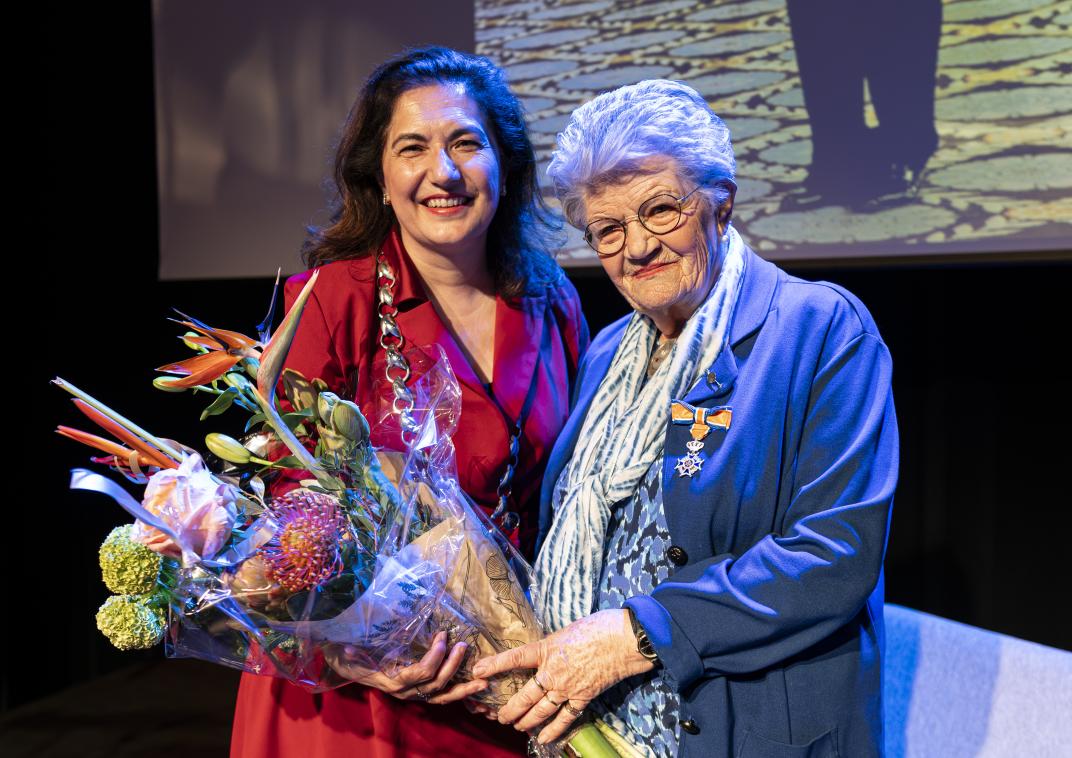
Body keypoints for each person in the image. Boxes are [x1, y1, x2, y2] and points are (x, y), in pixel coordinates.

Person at [472, 80, 898, 758]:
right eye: (608, 229)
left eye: (661, 210)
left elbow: (834, 554)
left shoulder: (819, 328)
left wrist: (641, 632)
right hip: (601, 734)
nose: (636, 247)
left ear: (720, 204)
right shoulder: (609, 351)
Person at [230, 47, 589, 758]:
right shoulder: (335, 301)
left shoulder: (552, 303)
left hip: (503, 679)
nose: (443, 173)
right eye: (412, 148)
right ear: (381, 176)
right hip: (358, 697)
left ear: (505, 164)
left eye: (466, 143)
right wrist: (347, 649)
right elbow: (283, 523)